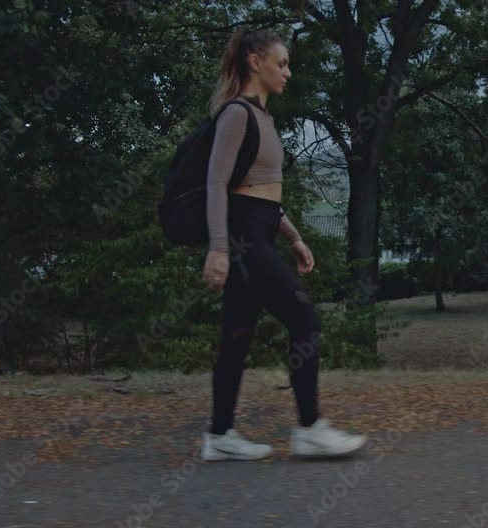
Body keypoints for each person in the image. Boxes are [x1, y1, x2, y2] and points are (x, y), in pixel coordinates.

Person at [199, 27, 367, 460]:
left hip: (258, 229)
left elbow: (262, 194)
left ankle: (219, 436)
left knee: (237, 336)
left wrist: (293, 236)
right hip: (243, 237)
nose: (288, 72)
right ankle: (309, 428)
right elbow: (217, 183)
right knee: (305, 320)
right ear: (256, 62)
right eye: (282, 63)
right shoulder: (237, 114)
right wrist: (218, 247)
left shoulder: (263, 118)